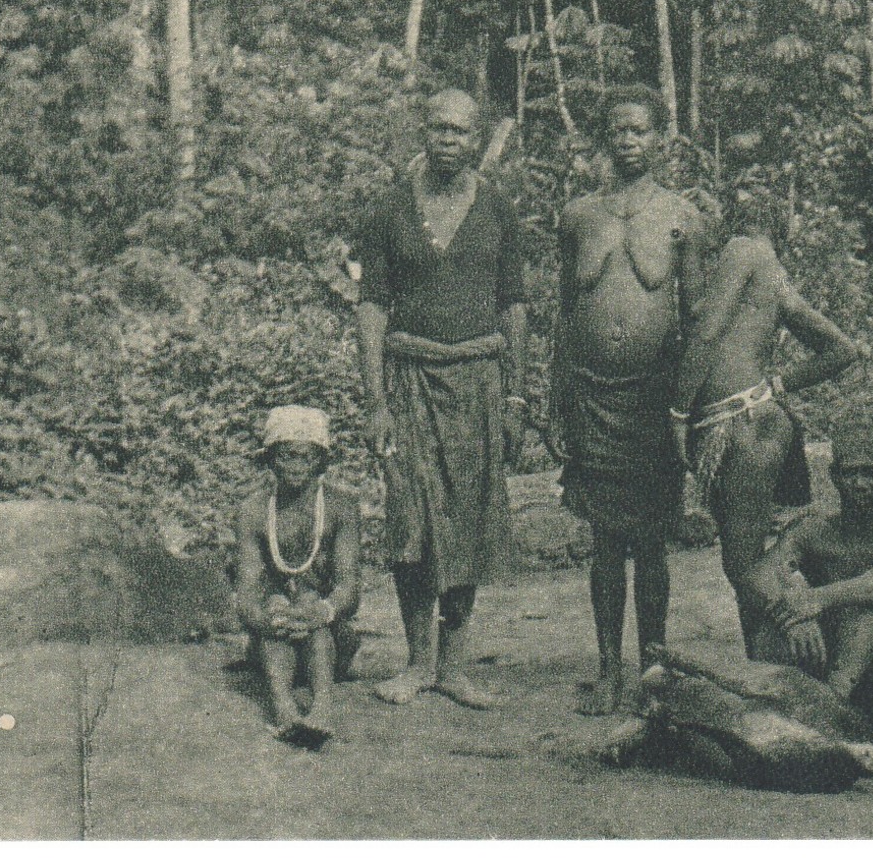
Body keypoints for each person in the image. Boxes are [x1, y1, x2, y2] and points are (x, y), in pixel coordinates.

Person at [355, 88, 528, 711]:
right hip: (409, 380)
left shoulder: (499, 209)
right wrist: (374, 401)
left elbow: (514, 304)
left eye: (460, 132)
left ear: (478, 138)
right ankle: (417, 660)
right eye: (438, 129)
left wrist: (515, 398)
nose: (448, 141)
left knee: (470, 518)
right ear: (422, 132)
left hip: (480, 379)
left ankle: (454, 663)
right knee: (412, 517)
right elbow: (372, 306)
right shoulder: (388, 209)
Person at [550, 98, 710, 716]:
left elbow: (697, 315)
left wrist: (688, 404)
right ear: (604, 137)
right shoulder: (578, 216)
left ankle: (654, 667)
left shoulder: (683, 218)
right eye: (617, 129)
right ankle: (607, 667)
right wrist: (556, 392)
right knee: (604, 539)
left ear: (660, 137)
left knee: (649, 540)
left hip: (652, 394)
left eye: (639, 130)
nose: (628, 140)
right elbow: (566, 312)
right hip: (591, 391)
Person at [668, 195, 860, 658]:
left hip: (741, 426)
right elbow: (840, 348)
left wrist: (677, 411)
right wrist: (777, 384)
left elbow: (706, 331)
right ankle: (765, 665)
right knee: (749, 557)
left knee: (743, 565)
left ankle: (801, 625)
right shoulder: (769, 269)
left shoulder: (743, 249)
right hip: (753, 420)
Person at [743, 422, 873, 737]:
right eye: (850, 473)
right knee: (777, 610)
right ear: (834, 476)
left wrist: (818, 598)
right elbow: (761, 574)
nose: (860, 484)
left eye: (871, 473)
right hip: (835, 670)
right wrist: (795, 620)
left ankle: (829, 707)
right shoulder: (815, 530)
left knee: (869, 606)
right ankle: (802, 704)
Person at [233, 405, 362, 749]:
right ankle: (284, 708)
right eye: (288, 456)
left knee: (309, 606)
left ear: (321, 462)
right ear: (271, 460)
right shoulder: (253, 510)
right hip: (273, 640)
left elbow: (349, 586)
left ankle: (322, 706)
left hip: (332, 639)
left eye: (307, 458)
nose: (297, 466)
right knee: (277, 608)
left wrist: (322, 610)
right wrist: (267, 619)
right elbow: (246, 594)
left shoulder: (341, 507)